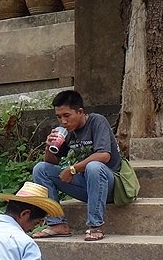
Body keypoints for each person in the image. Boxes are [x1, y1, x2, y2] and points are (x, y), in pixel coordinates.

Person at [32, 89, 122, 241]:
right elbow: (51, 163)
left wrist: (72, 169)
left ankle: (95, 226)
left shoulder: (97, 121)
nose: (63, 121)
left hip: (110, 186)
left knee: (94, 166)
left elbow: (104, 155)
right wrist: (49, 146)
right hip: (86, 186)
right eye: (59, 117)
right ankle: (57, 224)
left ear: (80, 112)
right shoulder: (67, 131)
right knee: (40, 169)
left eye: (67, 116)